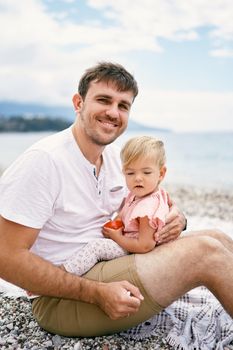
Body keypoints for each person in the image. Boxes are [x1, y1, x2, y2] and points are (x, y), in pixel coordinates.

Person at [0, 62, 233, 338]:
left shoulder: (114, 158)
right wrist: (96, 293)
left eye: (123, 106)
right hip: (62, 298)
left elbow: (144, 203)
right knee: (206, 253)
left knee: (217, 238)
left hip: (108, 264)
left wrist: (178, 219)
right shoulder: (44, 161)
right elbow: (6, 257)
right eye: (103, 100)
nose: (113, 112)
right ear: (78, 103)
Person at [63, 135, 170, 276]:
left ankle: (62, 274)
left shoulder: (147, 208)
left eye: (146, 172)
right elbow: (125, 211)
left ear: (161, 173)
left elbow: (145, 245)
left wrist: (116, 237)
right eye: (130, 173)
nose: (138, 178)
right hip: (128, 242)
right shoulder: (139, 193)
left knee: (95, 247)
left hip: (132, 250)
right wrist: (115, 223)